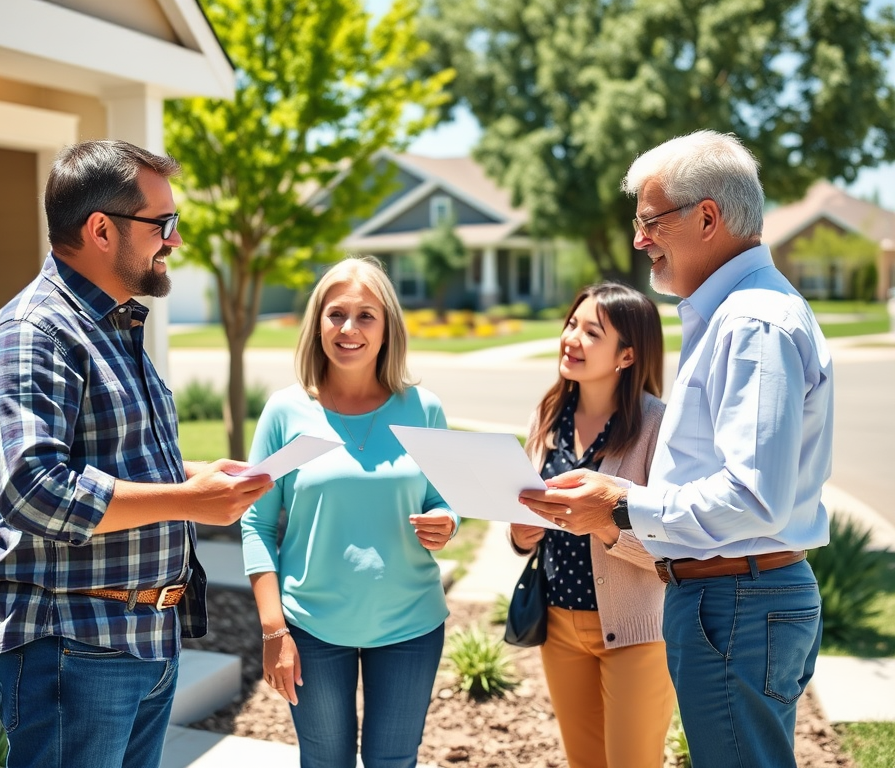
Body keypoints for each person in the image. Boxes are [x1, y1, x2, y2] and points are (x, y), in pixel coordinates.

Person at [519, 130, 833, 768]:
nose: (639, 241)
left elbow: (752, 495)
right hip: (731, 598)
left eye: (650, 221)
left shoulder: (751, 324)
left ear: (708, 218)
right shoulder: (737, 316)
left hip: (736, 599)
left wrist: (622, 508)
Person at [0, 139, 273, 768]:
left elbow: (113, 464)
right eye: (163, 224)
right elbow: (34, 491)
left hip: (139, 641)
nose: (175, 241)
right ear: (101, 229)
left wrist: (197, 477)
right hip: (71, 651)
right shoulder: (34, 334)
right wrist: (188, 500)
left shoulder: (113, 328)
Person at [241, 256, 458, 768]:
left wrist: (446, 523)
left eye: (366, 316)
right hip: (310, 627)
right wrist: (274, 631)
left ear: (387, 329)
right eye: (336, 314)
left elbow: (443, 501)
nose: (349, 328)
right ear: (317, 323)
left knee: (394, 762)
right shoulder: (286, 412)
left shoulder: (422, 409)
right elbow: (256, 523)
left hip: (411, 624)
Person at [509, 282, 674, 768]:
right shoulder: (548, 413)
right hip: (559, 624)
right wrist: (520, 536)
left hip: (638, 633)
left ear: (626, 355)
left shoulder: (657, 426)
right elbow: (522, 506)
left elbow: (678, 548)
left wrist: (607, 527)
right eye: (571, 324)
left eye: (591, 332)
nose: (571, 338)